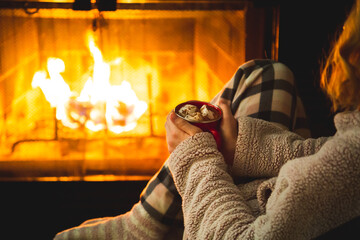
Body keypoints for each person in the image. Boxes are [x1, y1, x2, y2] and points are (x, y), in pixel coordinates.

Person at [54, 0, 360, 238]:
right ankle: (147, 219)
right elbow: (335, 153)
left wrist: (195, 156)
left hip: (252, 211)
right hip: (275, 193)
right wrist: (241, 145)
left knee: (208, 148)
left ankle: (144, 224)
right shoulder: (350, 154)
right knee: (265, 72)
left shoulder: (348, 164)